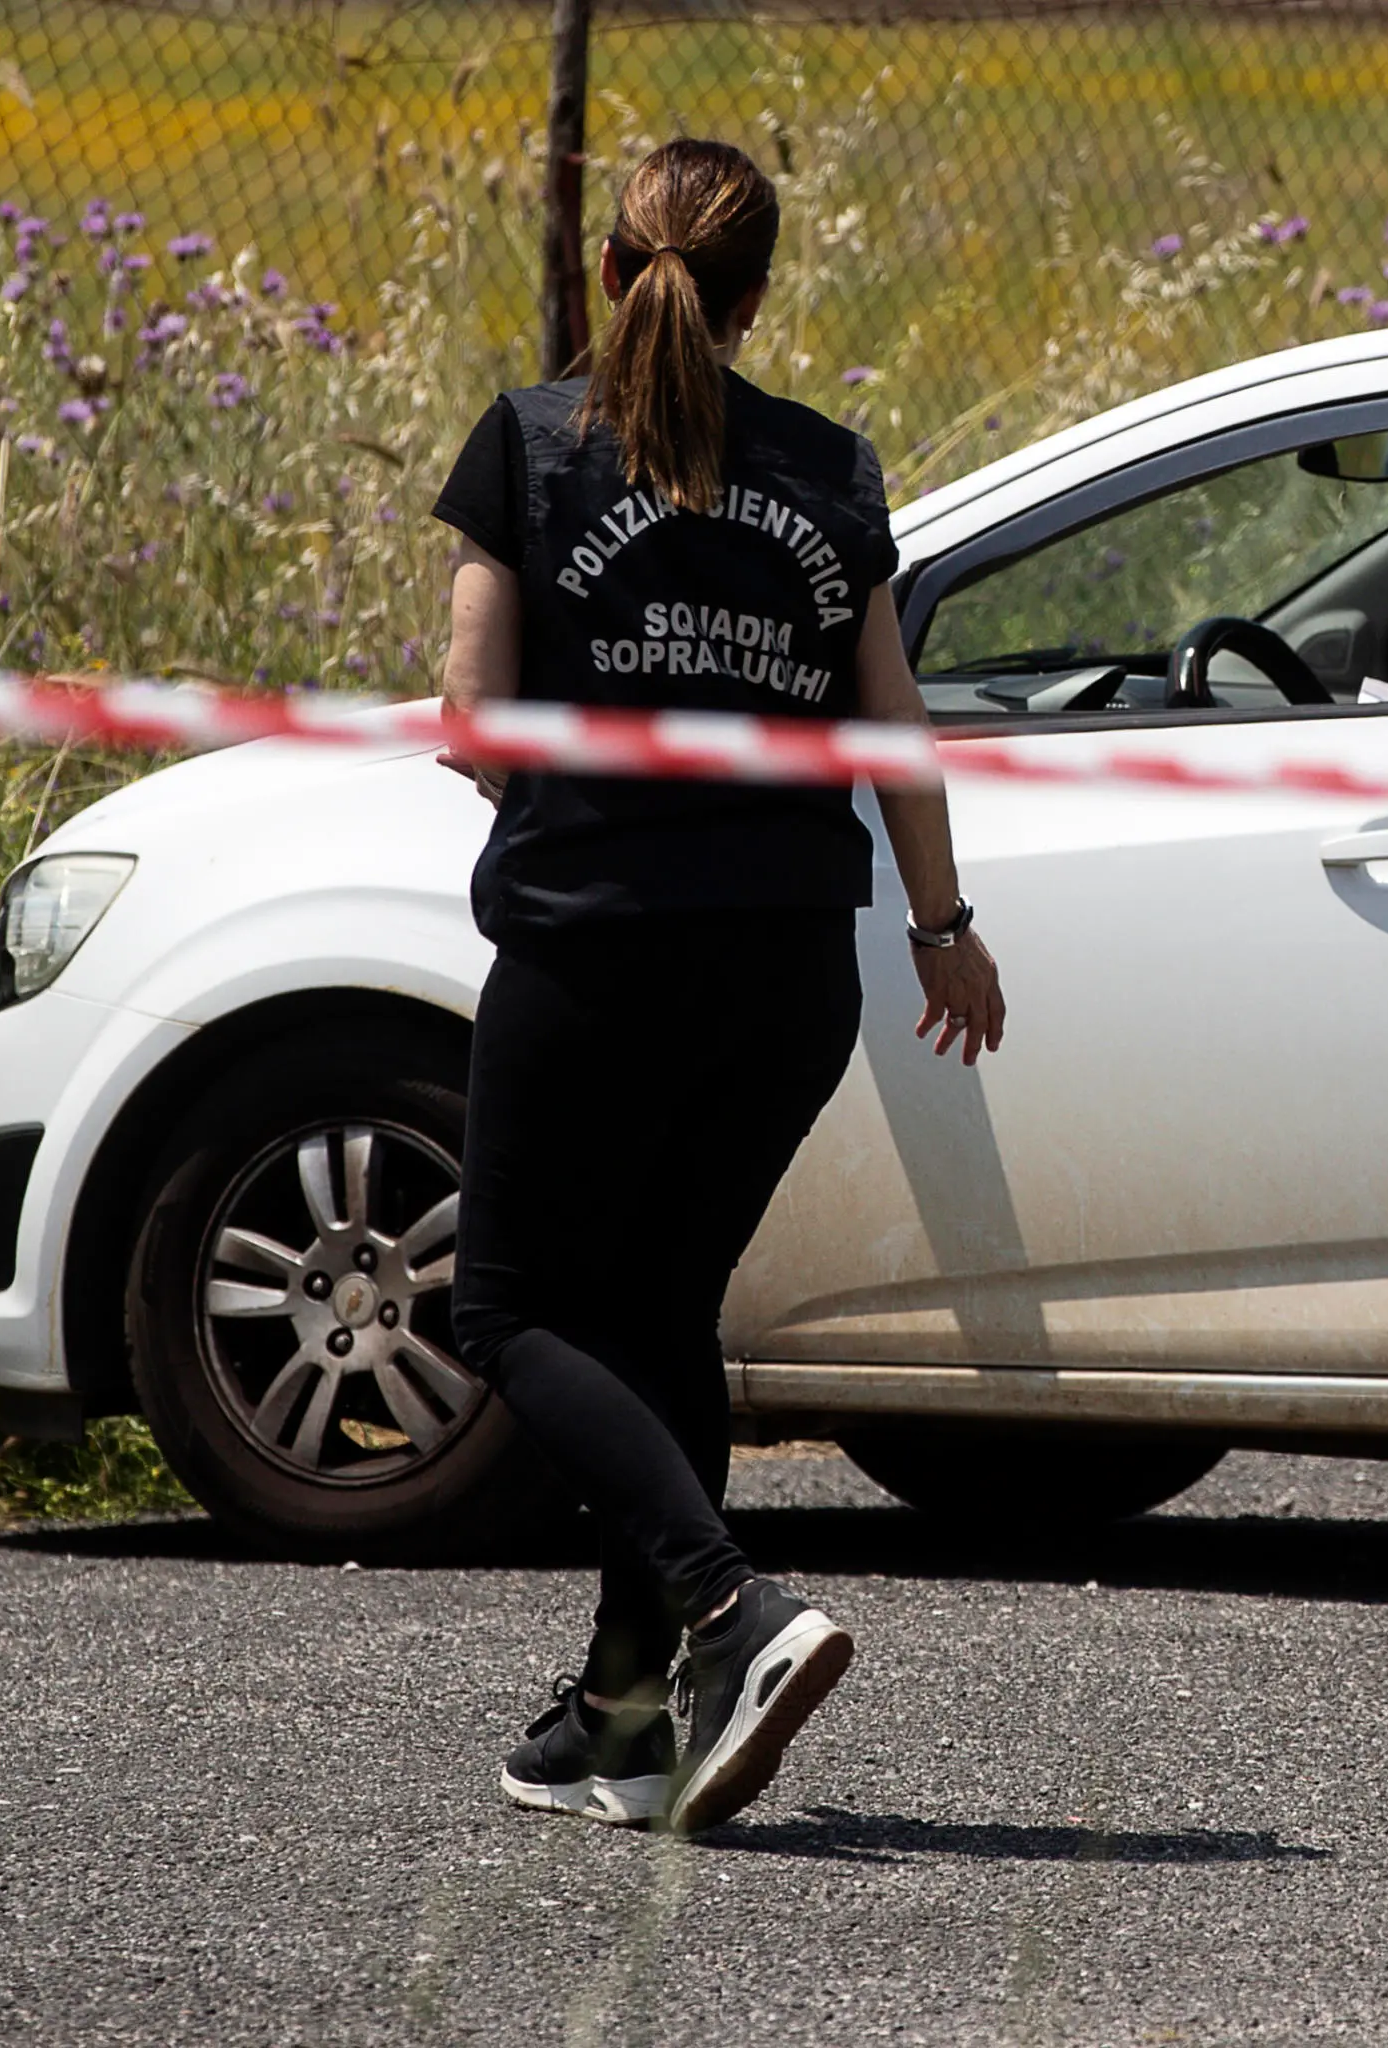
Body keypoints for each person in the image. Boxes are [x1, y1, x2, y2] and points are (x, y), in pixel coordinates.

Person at [429, 138, 1005, 1837]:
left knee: (509, 1307)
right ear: (754, 300)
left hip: (598, 946)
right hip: (786, 974)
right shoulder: (830, 469)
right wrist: (942, 923)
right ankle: (624, 1713)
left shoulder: (533, 446)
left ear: (611, 276)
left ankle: (726, 1608)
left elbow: (476, 720)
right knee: (658, 1310)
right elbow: (893, 730)